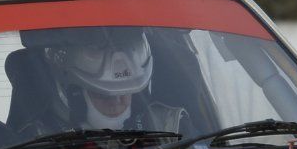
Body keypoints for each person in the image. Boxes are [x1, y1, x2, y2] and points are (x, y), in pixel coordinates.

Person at [30, 27, 187, 136]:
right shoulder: (38, 141)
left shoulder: (172, 129)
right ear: (73, 93)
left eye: (126, 92)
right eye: (103, 95)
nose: (116, 102)